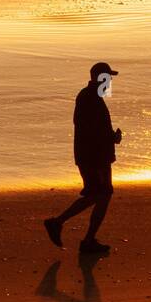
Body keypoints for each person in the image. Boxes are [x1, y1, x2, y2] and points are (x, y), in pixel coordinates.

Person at [44, 62, 123, 255]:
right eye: (107, 77)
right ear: (98, 78)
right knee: (97, 195)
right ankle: (57, 222)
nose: (110, 81)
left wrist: (112, 137)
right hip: (93, 158)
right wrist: (108, 139)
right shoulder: (88, 97)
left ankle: (88, 240)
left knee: (103, 195)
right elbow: (88, 130)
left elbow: (95, 129)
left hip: (98, 156)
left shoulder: (93, 97)